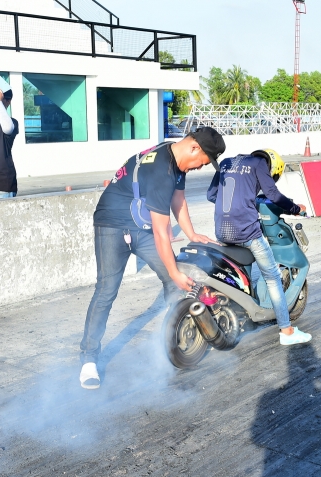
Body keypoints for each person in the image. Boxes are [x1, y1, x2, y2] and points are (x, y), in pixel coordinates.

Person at [79, 128, 226, 389]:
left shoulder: (175, 156)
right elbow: (161, 231)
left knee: (175, 281)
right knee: (106, 291)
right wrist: (173, 272)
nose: (199, 167)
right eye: (202, 162)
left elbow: (178, 199)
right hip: (111, 225)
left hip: (139, 226)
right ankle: (89, 359)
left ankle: (170, 343)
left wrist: (192, 234)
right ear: (194, 148)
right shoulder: (163, 170)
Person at [207, 149, 312, 346]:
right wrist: (296, 209)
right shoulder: (259, 164)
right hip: (246, 232)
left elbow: (212, 194)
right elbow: (272, 194)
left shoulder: (226, 162)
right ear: (270, 167)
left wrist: (237, 203)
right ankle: (287, 331)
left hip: (222, 231)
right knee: (272, 278)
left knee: (240, 271)